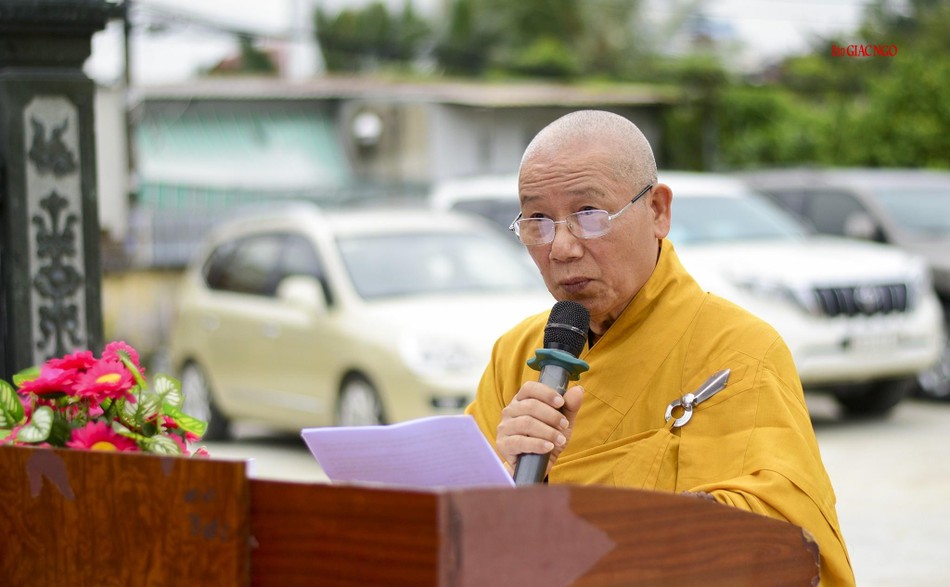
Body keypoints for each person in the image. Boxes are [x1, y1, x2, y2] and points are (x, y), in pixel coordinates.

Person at [465, 110, 854, 586]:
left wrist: (575, 515)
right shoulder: (516, 353)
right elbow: (457, 530)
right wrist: (504, 475)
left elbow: (783, 538)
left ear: (658, 212)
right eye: (538, 221)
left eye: (588, 215)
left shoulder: (740, 350)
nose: (561, 247)